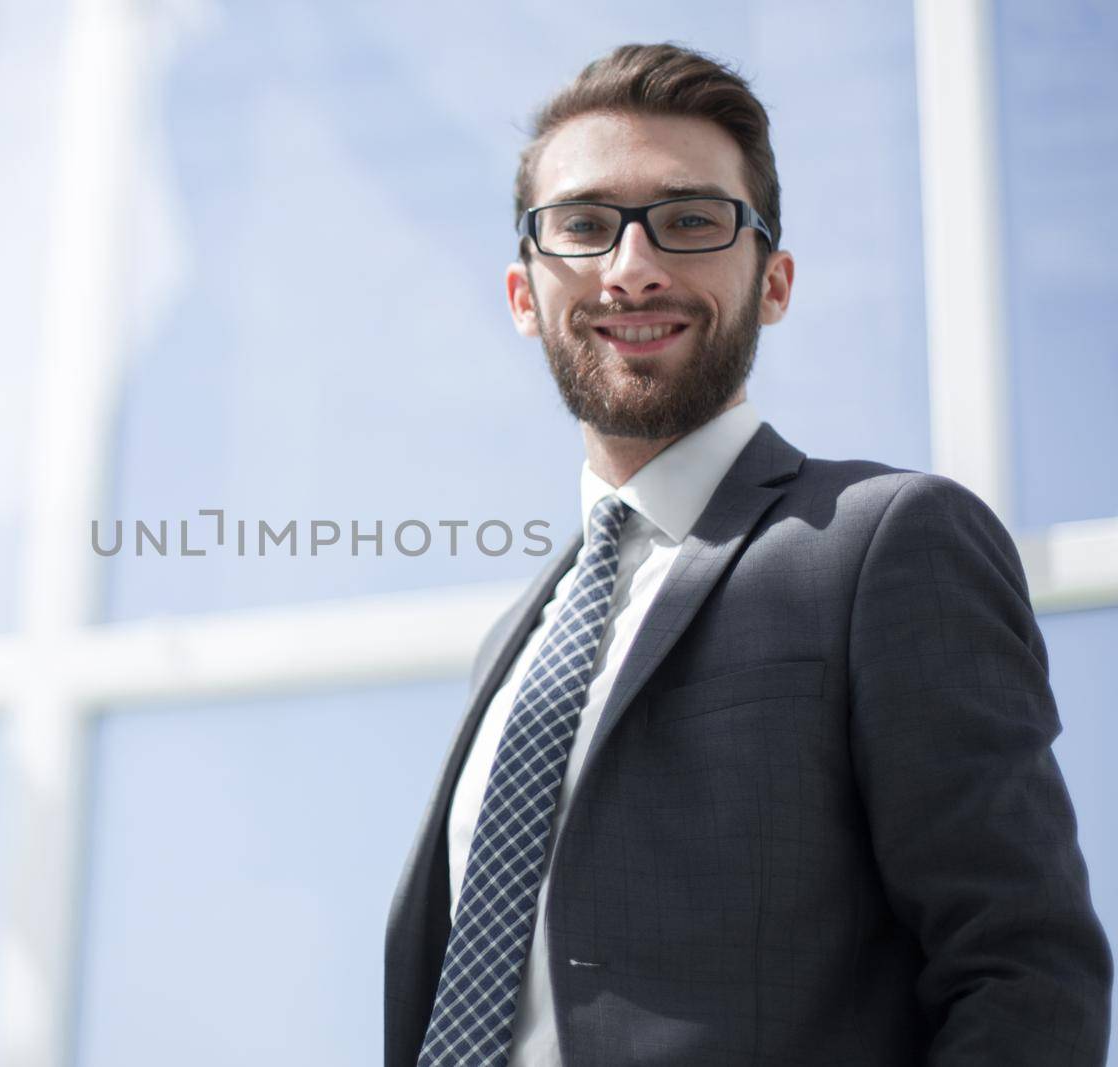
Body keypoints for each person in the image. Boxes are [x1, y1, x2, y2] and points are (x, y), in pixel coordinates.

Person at [384, 42, 1111, 1067]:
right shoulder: (515, 645)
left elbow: (1021, 965)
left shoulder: (882, 542)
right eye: (584, 226)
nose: (630, 266)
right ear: (522, 294)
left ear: (772, 281)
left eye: (687, 220)